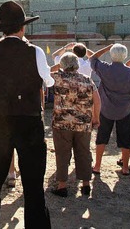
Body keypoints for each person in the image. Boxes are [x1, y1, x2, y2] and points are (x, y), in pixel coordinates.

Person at [0, 0, 54, 229]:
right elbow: (49, 81)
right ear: (22, 27)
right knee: (33, 183)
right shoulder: (34, 51)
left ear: (2, 29)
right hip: (28, 120)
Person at [49, 53, 101, 197]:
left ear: (62, 65)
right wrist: (96, 118)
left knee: (62, 153)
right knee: (84, 152)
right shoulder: (87, 80)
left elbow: (44, 71)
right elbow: (97, 101)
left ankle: (62, 185)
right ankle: (85, 185)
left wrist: (58, 67)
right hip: (83, 123)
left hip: (62, 122)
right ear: (77, 64)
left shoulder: (57, 78)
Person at [89, 43, 130, 177]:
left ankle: (97, 166)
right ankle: (125, 168)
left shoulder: (105, 68)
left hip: (105, 108)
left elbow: (93, 58)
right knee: (125, 139)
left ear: (111, 55)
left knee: (101, 137)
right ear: (125, 56)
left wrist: (107, 48)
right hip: (124, 110)